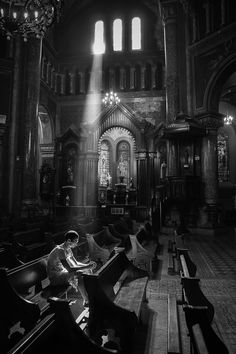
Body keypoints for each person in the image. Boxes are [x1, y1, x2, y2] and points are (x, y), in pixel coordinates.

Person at [47, 230, 95, 307]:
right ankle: (86, 301)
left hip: (62, 273)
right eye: (75, 241)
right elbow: (69, 269)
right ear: (69, 240)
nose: (76, 243)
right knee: (79, 273)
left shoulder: (68, 249)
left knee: (88, 270)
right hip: (55, 278)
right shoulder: (60, 250)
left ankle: (91, 294)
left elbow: (75, 263)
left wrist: (88, 266)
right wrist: (86, 266)